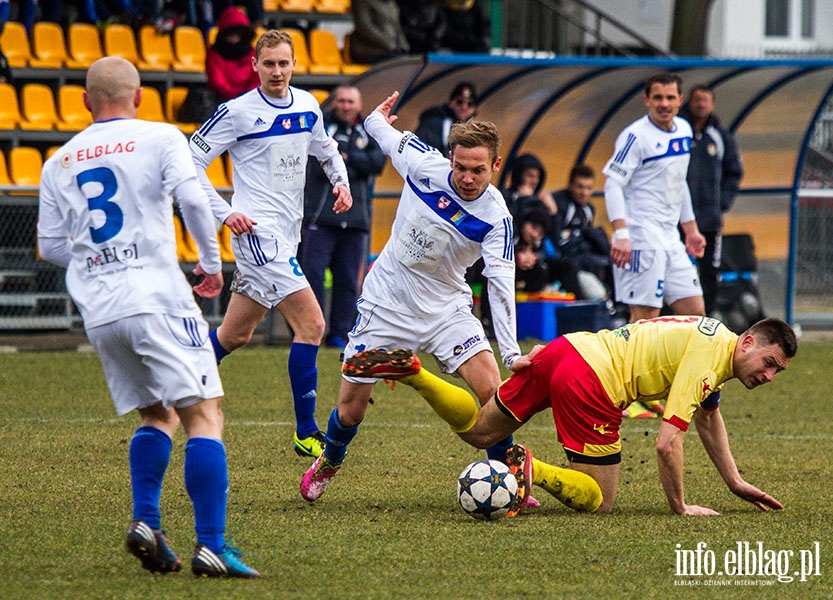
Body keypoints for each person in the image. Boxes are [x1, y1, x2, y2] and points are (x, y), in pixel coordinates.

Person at [37, 57, 259, 578]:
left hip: (103, 310)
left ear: (86, 101)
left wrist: (98, 259)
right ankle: (212, 545)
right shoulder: (161, 137)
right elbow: (194, 201)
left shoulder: (59, 161)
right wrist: (210, 265)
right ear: (140, 97)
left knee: (158, 414)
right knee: (205, 414)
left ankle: (148, 524)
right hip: (158, 296)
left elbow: (49, 246)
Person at [300, 91, 538, 504]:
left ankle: (506, 478)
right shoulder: (422, 162)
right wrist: (376, 116)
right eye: (460, 167)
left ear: (496, 165)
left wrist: (511, 353)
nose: (467, 178)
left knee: (493, 392)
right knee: (351, 410)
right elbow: (380, 131)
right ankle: (330, 459)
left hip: (446, 309)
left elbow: (501, 286)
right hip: (385, 303)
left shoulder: (497, 219)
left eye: (478, 170)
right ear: (449, 158)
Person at [345, 316, 796, 516]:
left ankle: (415, 373)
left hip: (567, 349)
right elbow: (666, 442)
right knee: (601, 501)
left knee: (481, 432)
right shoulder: (709, 359)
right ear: (749, 344)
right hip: (595, 381)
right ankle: (530, 467)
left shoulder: (716, 340)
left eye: (778, 371)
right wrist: (680, 507)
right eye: (770, 363)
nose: (770, 376)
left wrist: (734, 482)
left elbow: (708, 418)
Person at [189, 30, 353, 459]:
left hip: (288, 233)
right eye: (269, 64)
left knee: (235, 334)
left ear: (295, 64)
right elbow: (188, 164)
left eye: (284, 63)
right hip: (256, 236)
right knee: (313, 325)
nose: (277, 71)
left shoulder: (307, 105)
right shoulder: (236, 112)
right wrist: (226, 212)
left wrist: (341, 183)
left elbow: (326, 149)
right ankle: (305, 431)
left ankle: (181, 381)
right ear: (254, 66)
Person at [603, 72, 706, 419]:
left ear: (680, 101)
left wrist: (690, 230)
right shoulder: (634, 136)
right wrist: (621, 232)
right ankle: (624, 393)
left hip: (671, 239)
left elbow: (680, 184)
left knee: (696, 315)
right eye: (657, 98)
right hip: (642, 238)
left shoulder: (684, 131)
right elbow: (613, 185)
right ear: (646, 100)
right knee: (644, 319)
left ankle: (680, 387)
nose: (664, 104)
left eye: (670, 98)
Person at [299, 85, 386, 349]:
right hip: (320, 219)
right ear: (334, 103)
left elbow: (378, 162)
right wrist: (353, 162)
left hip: (356, 220)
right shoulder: (323, 129)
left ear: (359, 105)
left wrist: (345, 157)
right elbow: (317, 163)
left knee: (348, 281)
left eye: (351, 102)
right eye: (342, 101)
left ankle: (340, 334)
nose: (346, 106)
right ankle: (307, 330)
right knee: (312, 276)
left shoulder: (365, 132)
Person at [679, 84, 744, 317]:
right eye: (697, 100)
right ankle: (671, 320)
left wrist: (721, 203)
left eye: (705, 100)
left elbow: (733, 172)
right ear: (688, 101)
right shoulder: (679, 131)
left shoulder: (719, 136)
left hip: (709, 220)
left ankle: (705, 321)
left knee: (709, 272)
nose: (701, 104)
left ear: (712, 104)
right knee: (675, 269)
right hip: (677, 220)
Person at [551, 164, 612, 297]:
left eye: (588, 188)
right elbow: (557, 241)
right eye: (580, 187)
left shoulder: (589, 209)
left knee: (611, 263)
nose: (584, 192)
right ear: (570, 185)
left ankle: (618, 306)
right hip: (567, 263)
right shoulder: (561, 204)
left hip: (586, 261)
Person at [414, 82, 478, 159]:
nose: (464, 107)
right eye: (459, 102)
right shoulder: (435, 123)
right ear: (451, 103)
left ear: (474, 109)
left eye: (469, 104)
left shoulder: (472, 128)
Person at [350, 0, 409, 64]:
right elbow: (364, 27)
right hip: (367, 49)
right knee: (401, 63)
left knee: (411, 62)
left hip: (390, 49)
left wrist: (403, 46)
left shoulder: (390, 2)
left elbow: (397, 26)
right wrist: (390, 44)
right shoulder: (362, 1)